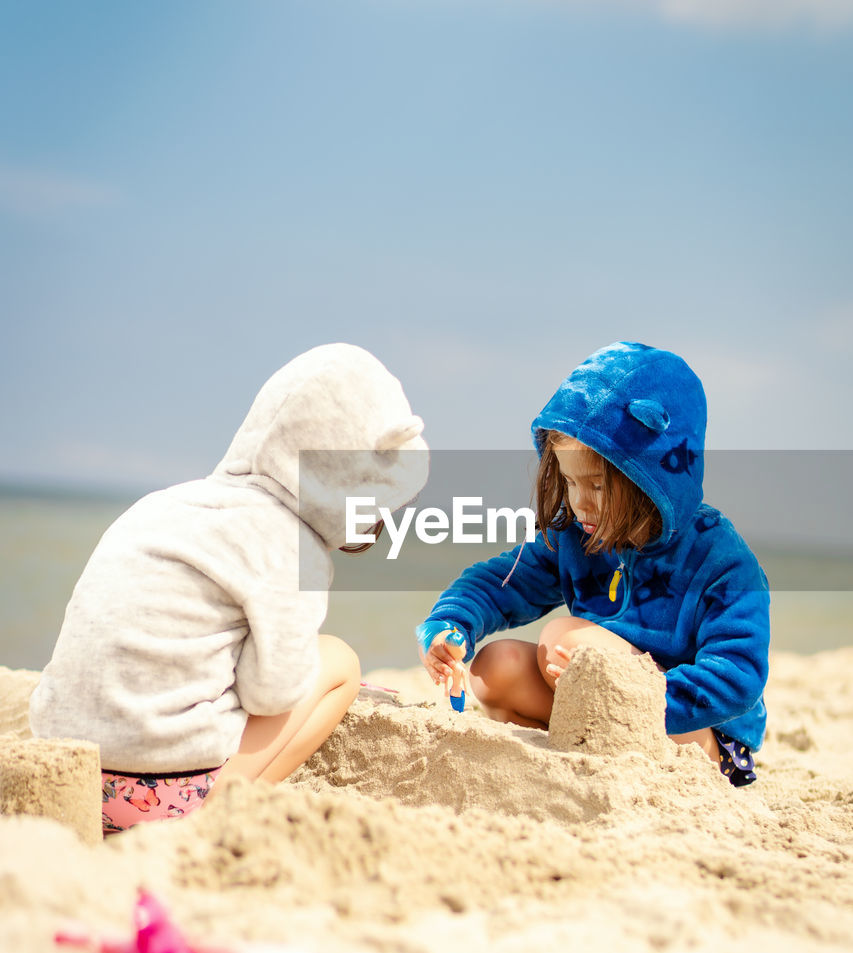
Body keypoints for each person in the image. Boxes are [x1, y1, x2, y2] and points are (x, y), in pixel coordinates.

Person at [30, 343, 428, 832]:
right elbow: (271, 694)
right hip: (156, 795)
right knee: (340, 661)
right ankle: (224, 808)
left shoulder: (166, 504)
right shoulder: (288, 544)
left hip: (63, 772)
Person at [417, 341, 769, 786]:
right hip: (601, 710)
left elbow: (738, 676)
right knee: (493, 669)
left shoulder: (720, 559)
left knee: (564, 636)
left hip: (699, 735)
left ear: (652, 478)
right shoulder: (574, 536)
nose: (579, 502)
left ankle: (612, 726)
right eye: (568, 481)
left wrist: (631, 693)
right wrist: (450, 626)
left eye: (598, 486)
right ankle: (581, 747)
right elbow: (499, 583)